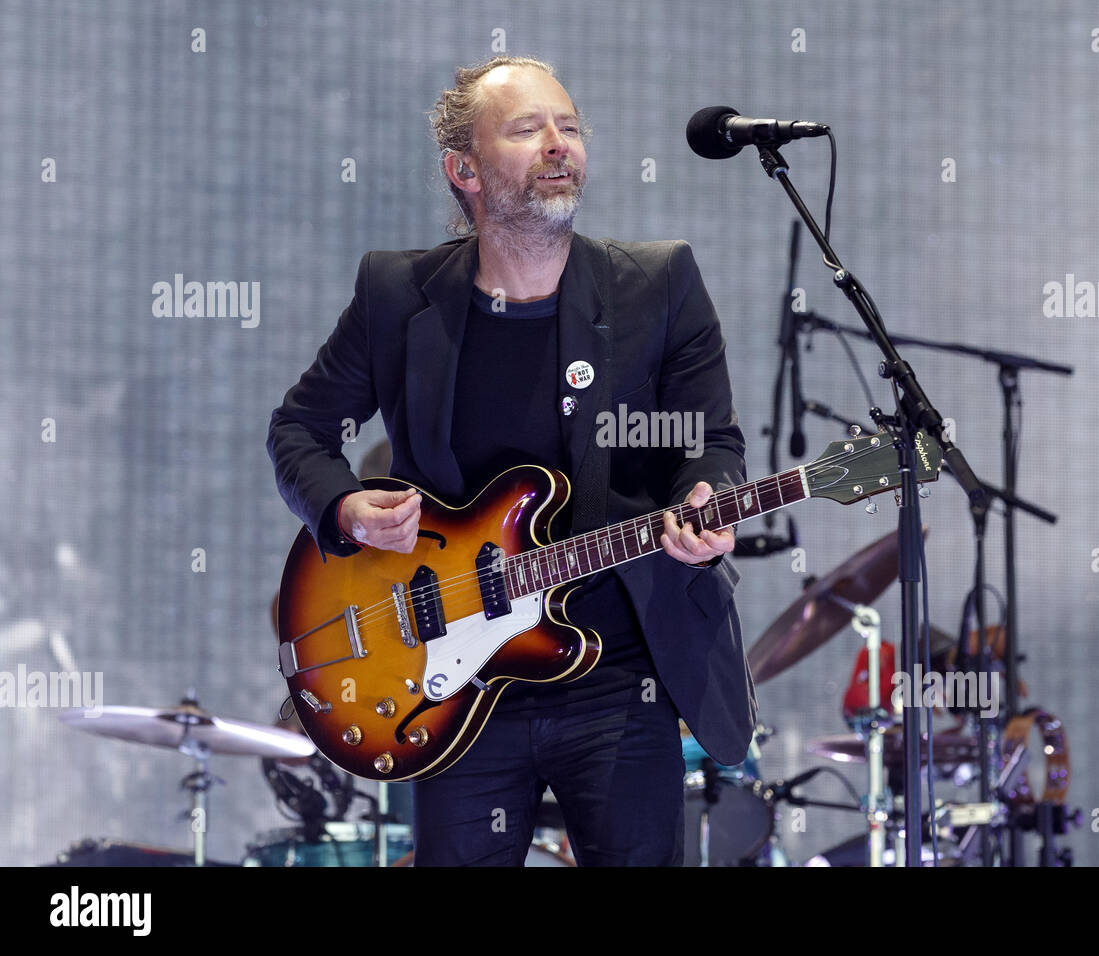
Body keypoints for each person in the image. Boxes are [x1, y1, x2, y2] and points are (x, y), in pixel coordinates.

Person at [267, 55, 755, 866]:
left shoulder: (657, 285)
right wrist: (346, 511)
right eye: (527, 128)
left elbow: (710, 440)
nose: (558, 143)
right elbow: (300, 430)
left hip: (619, 676)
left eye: (568, 126)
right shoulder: (398, 295)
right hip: (453, 690)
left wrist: (709, 494)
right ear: (463, 170)